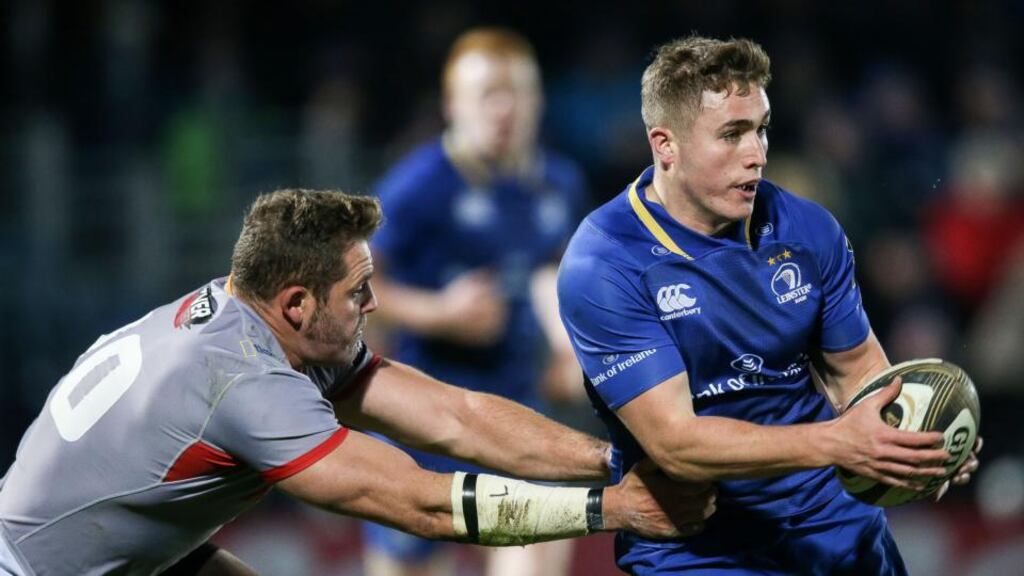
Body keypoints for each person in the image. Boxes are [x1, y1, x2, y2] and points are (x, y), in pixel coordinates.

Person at [0, 189, 716, 576]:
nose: (374, 305)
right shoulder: (243, 381)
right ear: (297, 303)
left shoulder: (257, 319)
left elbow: (456, 417)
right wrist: (616, 509)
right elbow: (425, 506)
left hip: (110, 546)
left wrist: (615, 460)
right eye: (360, 290)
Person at [557, 35, 982, 575]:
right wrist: (836, 443)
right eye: (731, 134)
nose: (756, 154)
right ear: (666, 145)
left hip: (835, 527)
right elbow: (676, 443)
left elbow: (860, 374)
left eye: (761, 128)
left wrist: (915, 441)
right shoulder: (605, 264)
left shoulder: (807, 228)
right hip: (699, 548)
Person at [365, 28, 592, 576]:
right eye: (488, 92)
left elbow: (549, 272)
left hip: (515, 409)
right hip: (420, 415)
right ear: (452, 105)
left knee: (542, 552)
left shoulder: (559, 184)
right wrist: (441, 312)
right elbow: (354, 289)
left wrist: (570, 349)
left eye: (518, 91)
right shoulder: (417, 185)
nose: (504, 108)